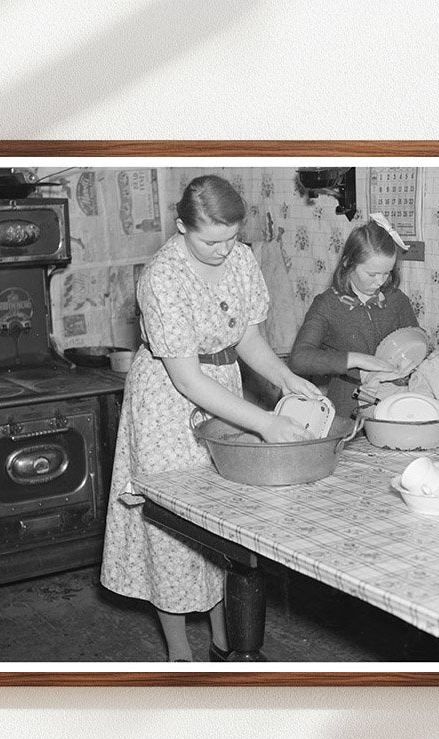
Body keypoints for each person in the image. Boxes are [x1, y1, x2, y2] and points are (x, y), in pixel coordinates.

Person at [100, 175, 321, 662]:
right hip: (167, 403)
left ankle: (226, 641)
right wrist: (263, 423)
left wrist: (285, 380)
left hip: (224, 389)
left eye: (233, 238)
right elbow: (187, 380)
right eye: (211, 240)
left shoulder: (240, 259)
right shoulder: (162, 276)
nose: (225, 250)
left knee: (222, 523)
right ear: (182, 227)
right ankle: (180, 655)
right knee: (173, 526)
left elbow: (246, 337)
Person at [288, 213, 419, 419]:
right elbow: (299, 359)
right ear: (349, 263)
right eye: (372, 274)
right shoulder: (327, 305)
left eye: (387, 273)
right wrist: (357, 360)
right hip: (347, 406)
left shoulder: (396, 300)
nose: (381, 282)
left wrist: (419, 361)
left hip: (393, 402)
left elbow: (415, 341)